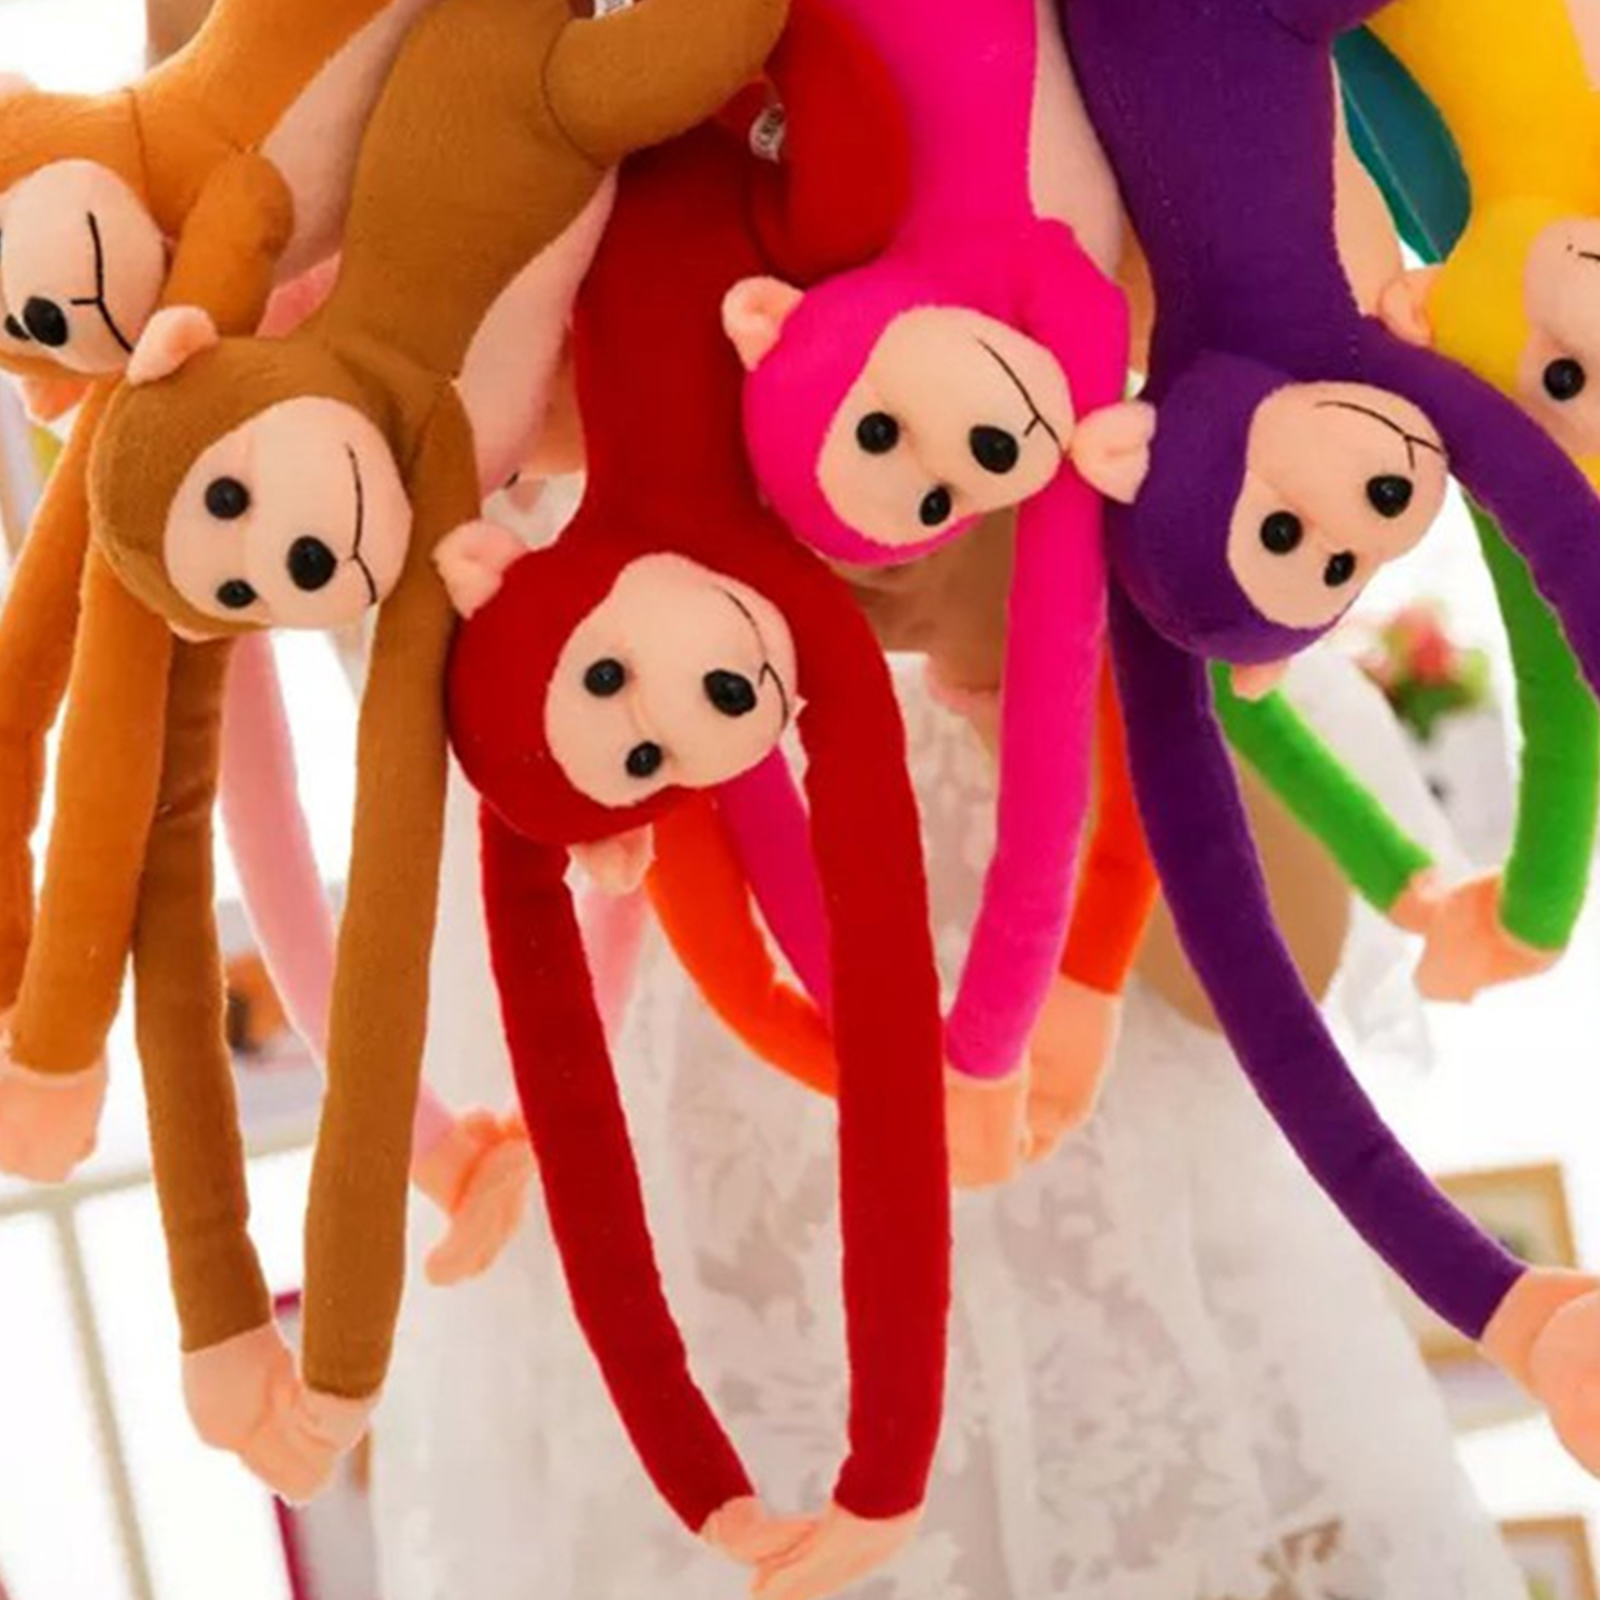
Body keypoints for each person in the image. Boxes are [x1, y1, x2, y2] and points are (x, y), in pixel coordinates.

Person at [369, 498, 1523, 1599]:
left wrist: (1023, 631)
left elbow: (1272, 973)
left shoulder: (1063, 446)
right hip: (696, 1430)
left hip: (1176, 1392)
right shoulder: (485, 466)